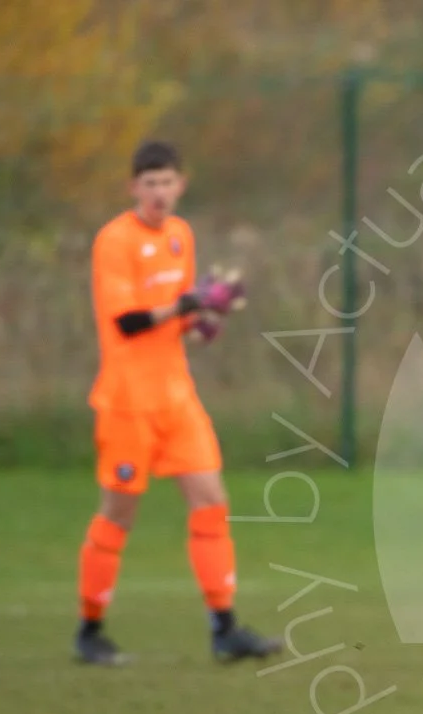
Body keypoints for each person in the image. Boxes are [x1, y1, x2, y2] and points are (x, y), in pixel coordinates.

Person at [74, 140, 281, 666]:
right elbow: (129, 321)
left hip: (176, 396)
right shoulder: (114, 241)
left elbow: (176, 320)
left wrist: (206, 320)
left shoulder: (180, 236)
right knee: (118, 513)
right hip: (127, 403)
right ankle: (90, 630)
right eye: (150, 184)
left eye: (168, 183)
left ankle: (225, 628)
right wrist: (188, 304)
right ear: (133, 188)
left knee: (211, 500)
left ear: (181, 185)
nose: (159, 193)